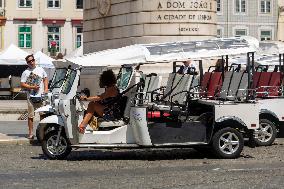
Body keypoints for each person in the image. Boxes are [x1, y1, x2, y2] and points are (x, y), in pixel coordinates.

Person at [78, 69, 119, 134]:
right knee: (88, 109)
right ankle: (90, 126)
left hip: (110, 113)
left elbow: (100, 97)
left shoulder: (112, 89)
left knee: (92, 105)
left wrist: (86, 99)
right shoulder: (110, 88)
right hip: (107, 109)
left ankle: (82, 126)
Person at [20, 54, 48, 139]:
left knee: (43, 115)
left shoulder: (40, 69)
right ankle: (31, 133)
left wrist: (46, 89)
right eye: (29, 61)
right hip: (30, 97)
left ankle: (43, 133)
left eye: (32, 60)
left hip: (41, 96)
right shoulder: (25, 72)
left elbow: (45, 78)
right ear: (27, 63)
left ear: (34, 60)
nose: (31, 62)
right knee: (30, 116)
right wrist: (32, 87)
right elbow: (22, 84)